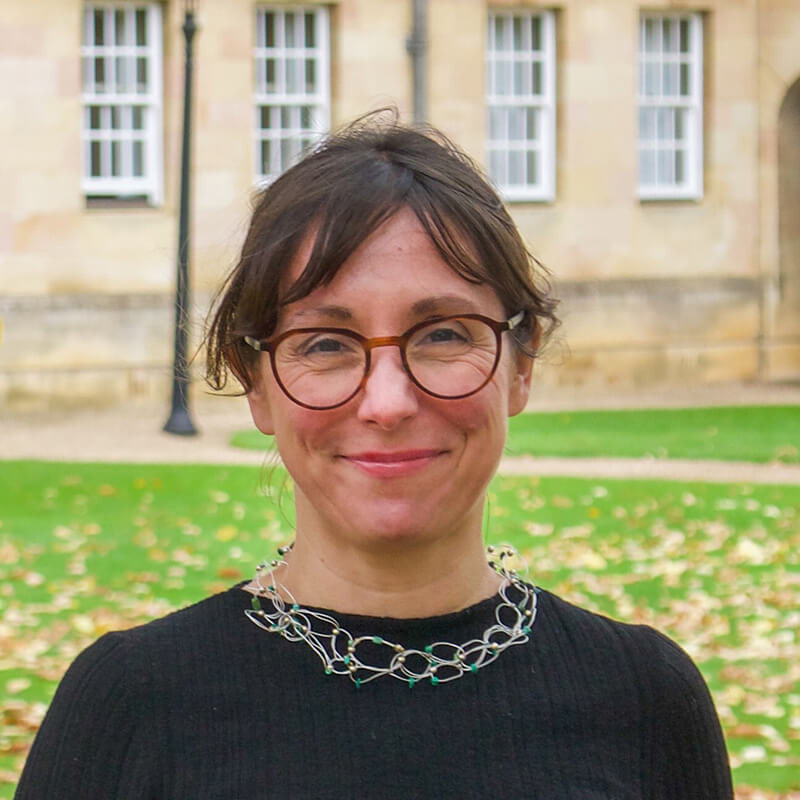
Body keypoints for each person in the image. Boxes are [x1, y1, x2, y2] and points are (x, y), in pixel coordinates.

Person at [15, 112, 733, 799]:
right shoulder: (132, 703)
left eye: (445, 335)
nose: (386, 402)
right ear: (256, 383)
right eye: (325, 344)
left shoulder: (645, 699)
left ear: (521, 365)